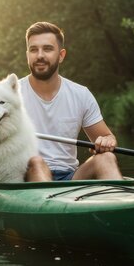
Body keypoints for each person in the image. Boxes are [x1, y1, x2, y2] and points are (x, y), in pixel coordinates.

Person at [19, 21, 123, 182]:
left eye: (47, 49)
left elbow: (107, 136)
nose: (39, 55)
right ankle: (49, 206)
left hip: (70, 177)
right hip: (28, 175)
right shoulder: (10, 94)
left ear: (61, 56)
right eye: (34, 49)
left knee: (107, 158)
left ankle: (122, 202)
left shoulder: (81, 94)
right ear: (27, 56)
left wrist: (106, 141)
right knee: (37, 162)